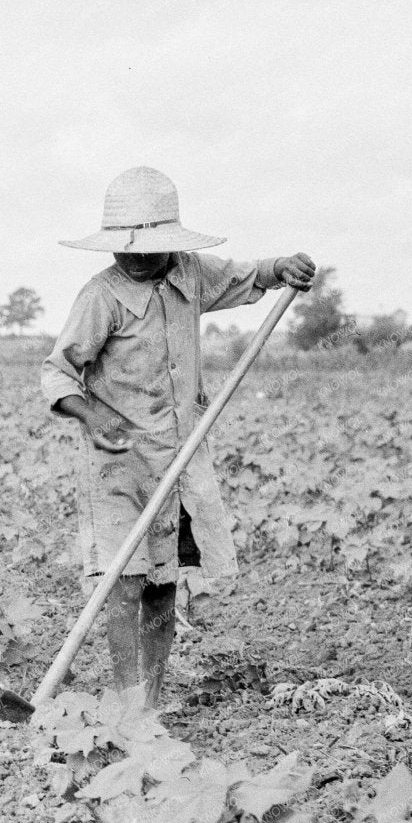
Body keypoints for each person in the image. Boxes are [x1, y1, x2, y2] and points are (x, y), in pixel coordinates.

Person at [41, 166, 315, 709]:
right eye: (129, 251)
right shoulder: (101, 297)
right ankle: (127, 701)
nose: (140, 260)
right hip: (117, 462)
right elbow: (57, 372)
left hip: (180, 459)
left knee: (164, 580)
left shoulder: (189, 273)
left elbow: (249, 275)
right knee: (121, 581)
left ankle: (153, 702)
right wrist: (93, 417)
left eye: (152, 250)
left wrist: (282, 266)